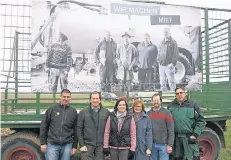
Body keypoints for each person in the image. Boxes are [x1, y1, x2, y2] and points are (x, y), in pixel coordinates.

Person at [168, 87, 206, 160]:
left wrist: (195, 135)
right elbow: (167, 123)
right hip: (176, 139)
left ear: (185, 93)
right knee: (176, 158)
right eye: (177, 93)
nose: (179, 95)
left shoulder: (193, 105)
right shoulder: (171, 106)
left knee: (192, 157)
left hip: (188, 138)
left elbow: (201, 120)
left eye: (181, 93)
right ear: (175, 95)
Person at [40, 89, 78, 160]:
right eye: (64, 96)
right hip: (52, 144)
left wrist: (74, 146)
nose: (66, 99)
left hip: (67, 144)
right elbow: (44, 126)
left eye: (67, 97)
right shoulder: (52, 109)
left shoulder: (73, 111)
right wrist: (43, 143)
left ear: (70, 98)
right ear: (60, 96)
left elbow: (76, 129)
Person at [77, 91, 110, 160]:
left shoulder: (106, 112)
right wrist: (82, 144)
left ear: (100, 99)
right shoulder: (83, 112)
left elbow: (109, 129)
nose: (95, 100)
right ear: (90, 99)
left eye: (97, 98)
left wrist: (107, 144)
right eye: (93, 98)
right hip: (87, 145)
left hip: (100, 146)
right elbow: (79, 129)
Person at [147, 93, 174, 160]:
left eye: (157, 100)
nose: (156, 102)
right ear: (152, 101)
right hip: (152, 145)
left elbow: (171, 129)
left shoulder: (167, 113)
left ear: (161, 101)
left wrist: (170, 145)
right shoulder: (148, 114)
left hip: (164, 145)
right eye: (154, 100)